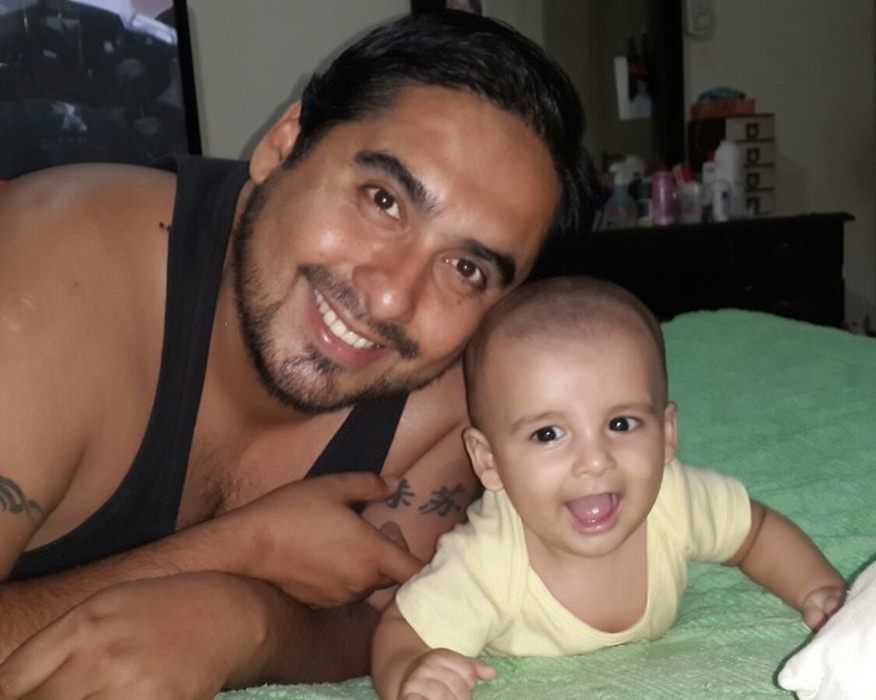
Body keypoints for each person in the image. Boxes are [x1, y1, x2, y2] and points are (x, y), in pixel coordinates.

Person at [0, 10, 594, 700]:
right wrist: (239, 551)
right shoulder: (52, 279)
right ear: (283, 146)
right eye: (383, 200)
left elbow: (394, 624)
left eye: (466, 269)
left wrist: (246, 623)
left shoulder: (461, 396)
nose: (390, 298)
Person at [371, 276, 847, 700]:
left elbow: (755, 532)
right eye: (548, 434)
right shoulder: (488, 562)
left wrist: (817, 588)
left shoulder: (672, 499)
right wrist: (413, 673)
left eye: (621, 423)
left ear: (666, 435)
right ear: (489, 461)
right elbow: (403, 633)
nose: (595, 460)